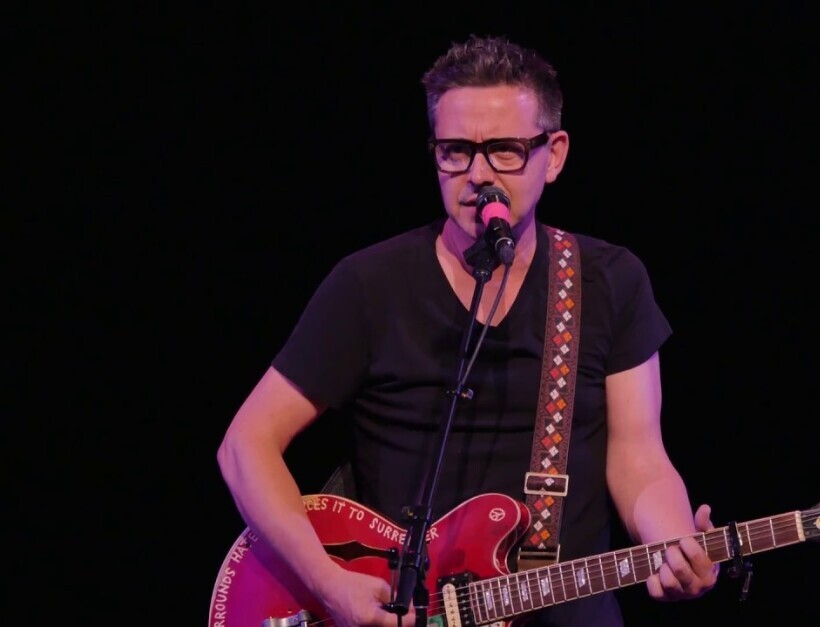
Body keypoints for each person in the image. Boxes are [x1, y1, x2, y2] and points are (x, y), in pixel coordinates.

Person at [216, 33, 719, 627]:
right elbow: (245, 445)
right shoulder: (369, 285)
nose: (478, 174)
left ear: (554, 154)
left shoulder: (609, 281)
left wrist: (673, 542)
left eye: (505, 150)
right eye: (455, 151)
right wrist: (328, 585)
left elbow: (639, 458)